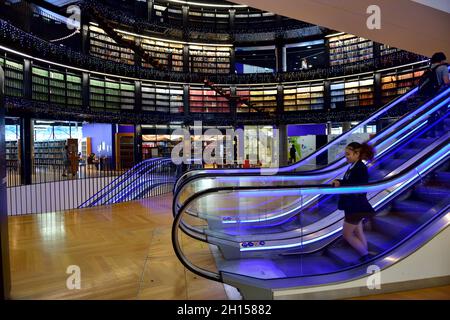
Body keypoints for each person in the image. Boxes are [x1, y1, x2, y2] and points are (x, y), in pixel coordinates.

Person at [332, 142, 376, 262]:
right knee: (358, 231)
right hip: (352, 205)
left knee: (347, 234)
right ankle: (365, 255)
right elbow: (351, 182)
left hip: (355, 206)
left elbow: (357, 185)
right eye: (346, 154)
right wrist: (340, 182)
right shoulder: (353, 166)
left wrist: (341, 184)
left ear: (357, 154)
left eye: (348, 154)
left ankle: (365, 256)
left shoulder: (360, 168)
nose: (346, 157)